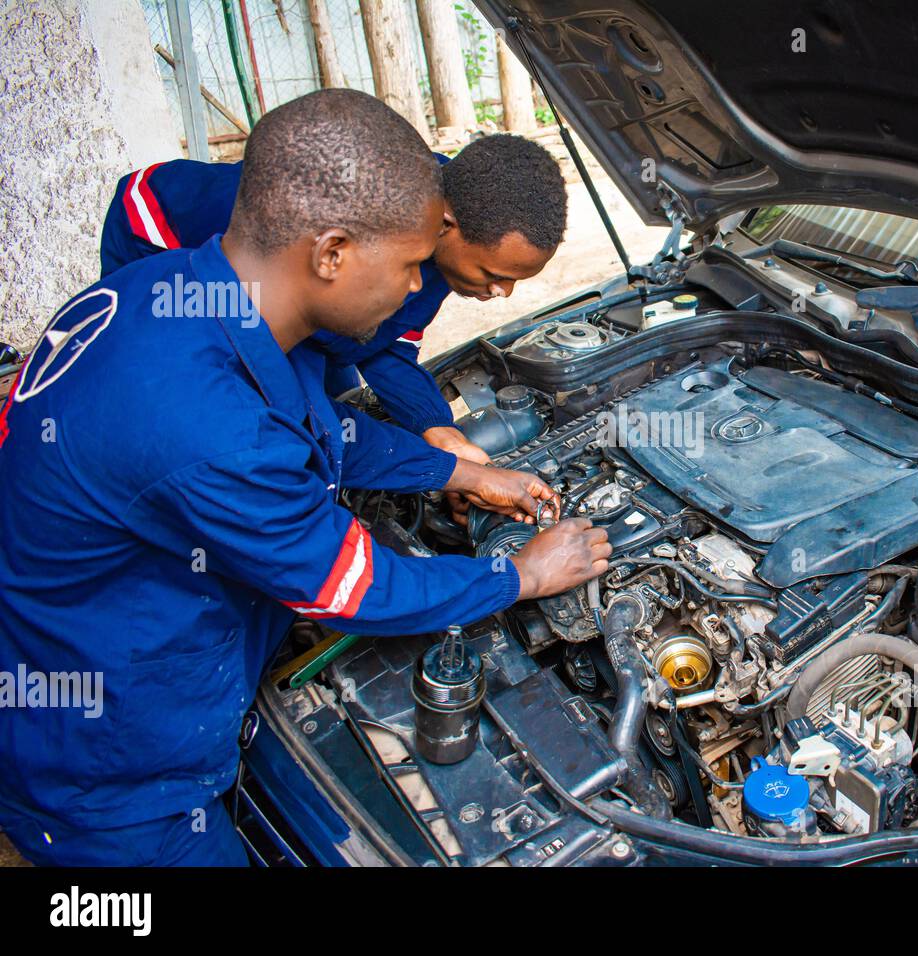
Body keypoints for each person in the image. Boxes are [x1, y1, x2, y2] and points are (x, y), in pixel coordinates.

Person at [0, 89, 608, 866]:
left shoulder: (175, 294)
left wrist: (457, 469)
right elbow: (358, 590)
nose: (413, 296)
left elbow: (319, 433)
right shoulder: (209, 428)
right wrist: (518, 575)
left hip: (136, 665)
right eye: (414, 265)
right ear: (331, 253)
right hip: (112, 776)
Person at [99, 133, 568, 464]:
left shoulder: (456, 236)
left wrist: (434, 427)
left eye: (513, 282)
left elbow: (390, 343)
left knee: (337, 406)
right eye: (492, 275)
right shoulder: (341, 215)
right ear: (445, 225)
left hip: (299, 298)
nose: (500, 293)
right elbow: (286, 327)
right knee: (233, 421)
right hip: (161, 235)